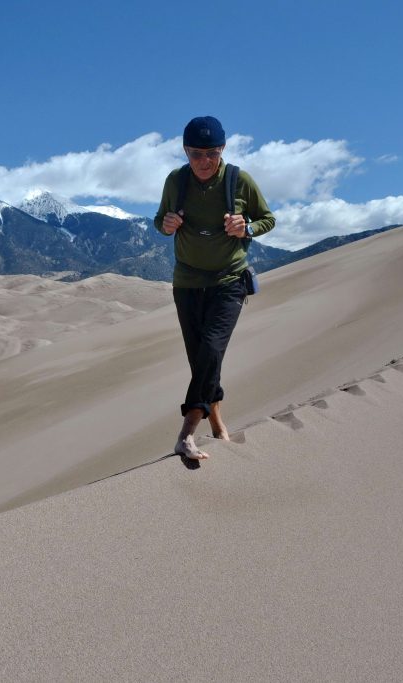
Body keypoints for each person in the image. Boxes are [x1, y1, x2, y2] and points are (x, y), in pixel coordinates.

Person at [154, 116, 275, 460]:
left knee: (210, 349)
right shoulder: (176, 182)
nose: (204, 161)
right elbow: (159, 220)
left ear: (222, 149)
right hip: (187, 283)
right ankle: (219, 425)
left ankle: (186, 434)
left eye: (211, 153)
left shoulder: (239, 180)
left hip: (229, 281)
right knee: (202, 361)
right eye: (195, 154)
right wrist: (166, 224)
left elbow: (268, 218)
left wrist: (246, 227)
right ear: (185, 151)